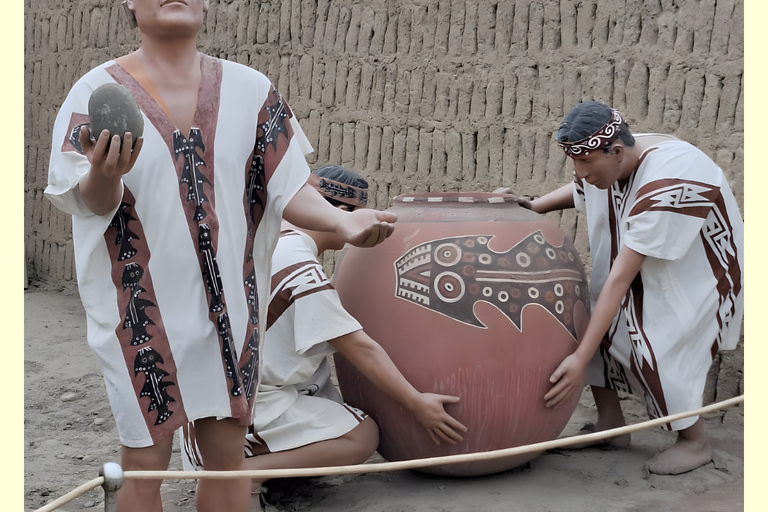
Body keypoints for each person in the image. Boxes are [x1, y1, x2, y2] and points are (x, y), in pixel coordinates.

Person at [44, 2, 396, 512]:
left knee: (227, 455)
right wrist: (104, 172)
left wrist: (342, 222)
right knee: (145, 461)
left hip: (232, 308)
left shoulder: (252, 91)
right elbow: (87, 201)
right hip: (139, 315)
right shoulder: (94, 94)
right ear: (129, 5)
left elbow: (287, 183)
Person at [179, 166, 467, 501]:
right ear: (342, 214)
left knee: (319, 380)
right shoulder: (299, 264)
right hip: (237, 417)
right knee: (361, 436)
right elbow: (360, 348)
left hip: (200, 411)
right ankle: (240, 476)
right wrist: (416, 403)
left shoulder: (261, 238)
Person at [497, 101, 743, 475]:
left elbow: (621, 279)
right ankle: (611, 424)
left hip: (696, 274)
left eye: (586, 164)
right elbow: (584, 186)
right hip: (636, 263)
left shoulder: (672, 176)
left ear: (616, 152)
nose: (579, 173)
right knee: (595, 324)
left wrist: (579, 359)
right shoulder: (613, 155)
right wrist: (536, 207)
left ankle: (695, 441)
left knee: (659, 342)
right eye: (575, 163)